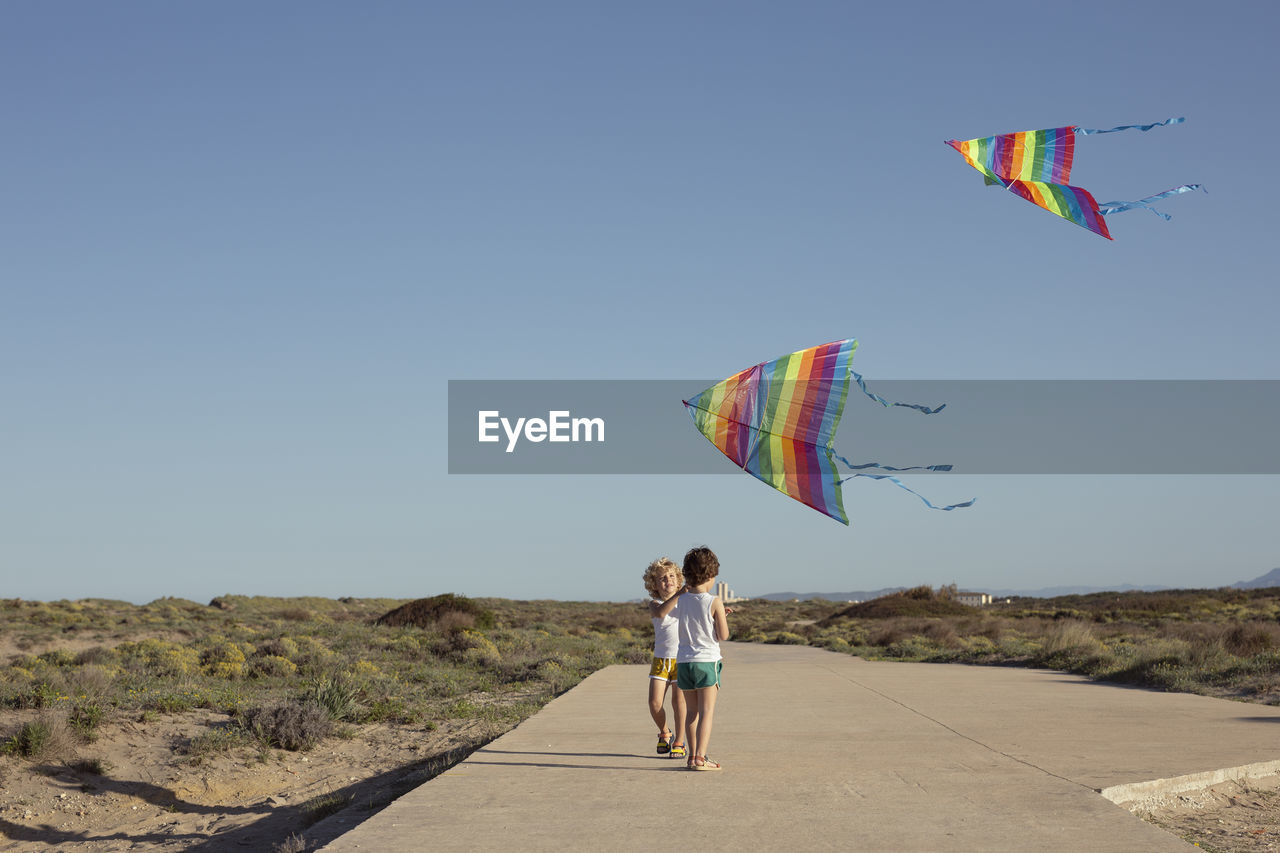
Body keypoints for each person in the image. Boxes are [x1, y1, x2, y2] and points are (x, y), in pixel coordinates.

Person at [655, 545, 729, 771]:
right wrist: (720, 617)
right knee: (707, 712)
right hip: (707, 662)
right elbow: (722, 635)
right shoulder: (714, 600)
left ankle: (690, 756)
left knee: (692, 713)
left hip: (684, 663)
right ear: (710, 575)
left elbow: (684, 620)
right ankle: (700, 757)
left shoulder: (682, 600)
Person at [642, 557, 687, 759]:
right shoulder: (655, 603)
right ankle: (665, 732)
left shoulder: (685, 603)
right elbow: (661, 614)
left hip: (681, 659)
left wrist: (718, 616)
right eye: (661, 578)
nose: (667, 580)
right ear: (654, 585)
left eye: (671, 576)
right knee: (654, 703)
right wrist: (680, 594)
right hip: (661, 660)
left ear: (678, 580)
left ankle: (679, 740)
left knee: (679, 703)